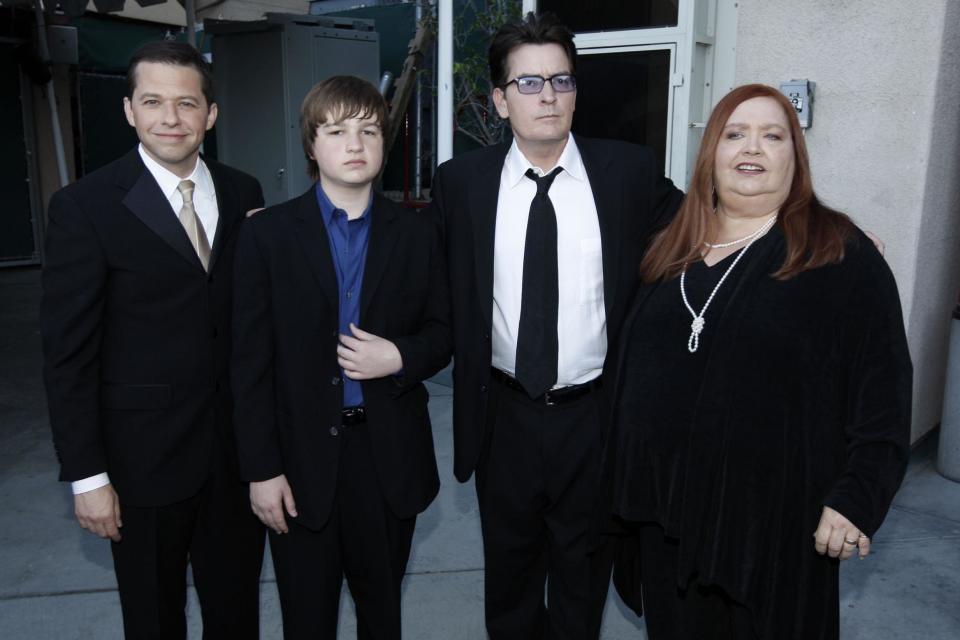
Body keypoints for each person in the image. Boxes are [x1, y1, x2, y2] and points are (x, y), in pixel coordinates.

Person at [607, 83, 912, 639]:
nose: (753, 147)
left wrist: (857, 497)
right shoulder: (668, 250)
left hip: (774, 534)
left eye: (773, 136)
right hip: (666, 525)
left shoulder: (839, 253)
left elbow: (884, 393)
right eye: (735, 134)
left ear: (795, 159)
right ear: (711, 156)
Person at [430, 12, 684, 639]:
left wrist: (804, 226)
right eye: (529, 84)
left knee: (582, 580)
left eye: (562, 82)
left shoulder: (626, 171)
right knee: (510, 582)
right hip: (502, 417)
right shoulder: (461, 183)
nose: (548, 97)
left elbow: (706, 224)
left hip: (595, 417)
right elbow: (417, 268)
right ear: (498, 100)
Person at [40, 41, 266, 638]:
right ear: (129, 111)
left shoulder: (245, 193)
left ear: (210, 115)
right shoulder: (84, 208)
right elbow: (68, 356)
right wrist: (87, 478)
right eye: (153, 102)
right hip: (140, 464)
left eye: (186, 103)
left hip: (236, 460)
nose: (171, 118)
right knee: (152, 620)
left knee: (237, 614)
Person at [231, 75, 450, 640]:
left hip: (386, 459)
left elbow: (445, 332)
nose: (354, 145)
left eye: (368, 130)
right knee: (307, 620)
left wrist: (399, 355)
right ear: (311, 145)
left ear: (386, 141)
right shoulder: (267, 236)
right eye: (336, 131)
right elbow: (249, 363)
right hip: (297, 463)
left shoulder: (419, 234)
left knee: (383, 616)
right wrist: (261, 469)